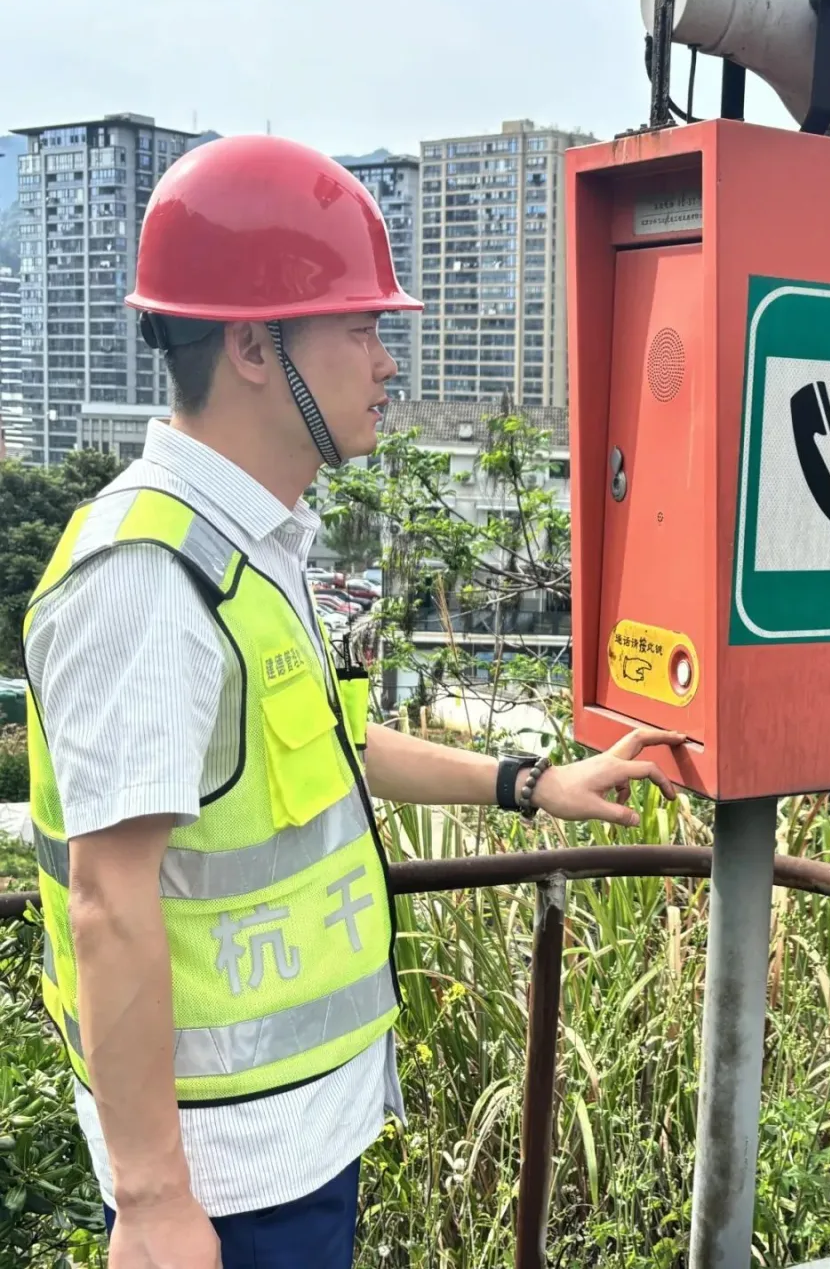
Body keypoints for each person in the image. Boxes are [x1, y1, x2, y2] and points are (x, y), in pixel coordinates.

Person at [23, 135, 684, 1269]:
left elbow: (330, 743)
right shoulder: (149, 577)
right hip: (220, 1186)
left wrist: (530, 782)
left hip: (292, 1147)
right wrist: (154, 1198)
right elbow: (109, 900)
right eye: (362, 328)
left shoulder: (250, 543)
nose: (387, 362)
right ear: (252, 345)